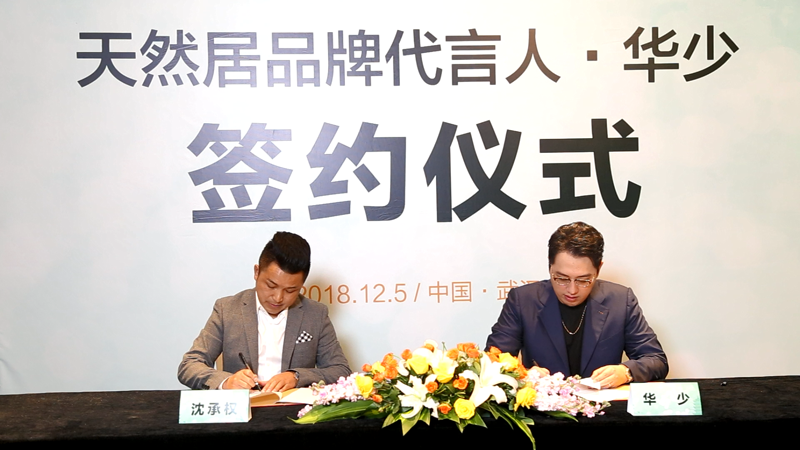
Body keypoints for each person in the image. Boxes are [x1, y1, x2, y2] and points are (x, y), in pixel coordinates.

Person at [486, 222, 667, 388]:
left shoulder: (620, 300)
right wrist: (524, 375)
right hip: (543, 409)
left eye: (583, 280)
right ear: (550, 266)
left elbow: (656, 360)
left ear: (599, 269)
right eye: (562, 278)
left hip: (603, 410)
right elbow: (492, 361)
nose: (572, 290)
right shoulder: (523, 300)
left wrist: (625, 372)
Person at [178, 231, 351, 391]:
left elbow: (340, 370)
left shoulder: (316, 314)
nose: (278, 298)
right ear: (256, 272)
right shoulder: (227, 309)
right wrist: (227, 382)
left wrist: (297, 377)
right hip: (243, 409)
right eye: (271, 285)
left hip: (294, 411)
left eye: (290, 290)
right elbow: (189, 365)